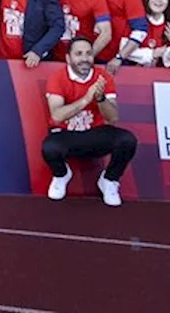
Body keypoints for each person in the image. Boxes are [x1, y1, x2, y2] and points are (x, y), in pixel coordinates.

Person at [42, 37, 137, 207]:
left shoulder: (103, 77)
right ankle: (61, 174)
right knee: (49, 148)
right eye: (79, 54)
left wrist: (100, 99)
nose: (85, 59)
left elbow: (113, 118)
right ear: (68, 58)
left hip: (96, 133)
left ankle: (109, 180)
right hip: (67, 135)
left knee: (127, 140)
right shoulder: (57, 77)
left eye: (88, 54)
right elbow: (56, 116)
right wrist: (86, 99)